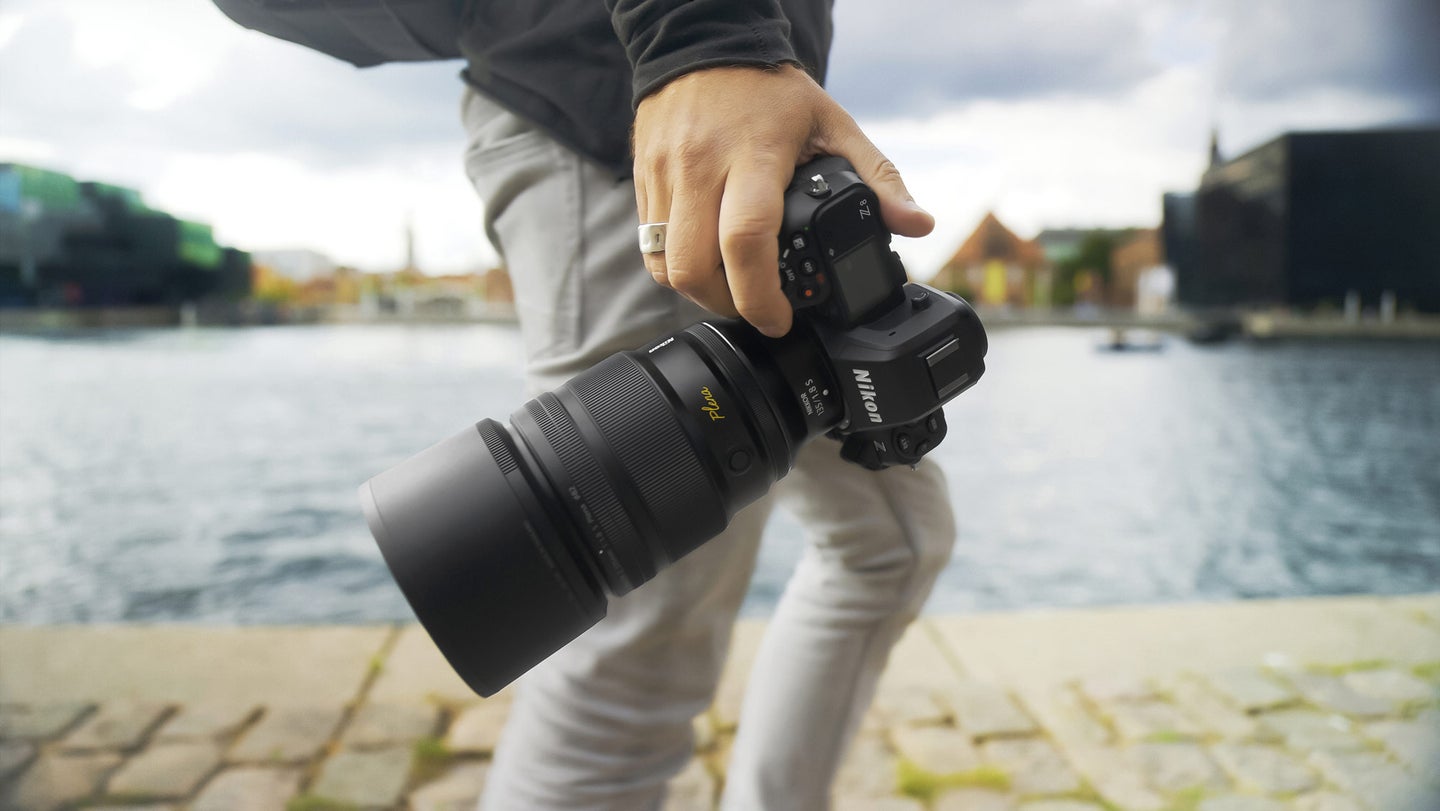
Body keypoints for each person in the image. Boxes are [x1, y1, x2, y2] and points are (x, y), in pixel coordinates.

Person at [454, 2, 958, 808]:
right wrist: (703, 41)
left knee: (892, 543)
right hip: (650, 121)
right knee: (629, 663)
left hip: (739, 135)